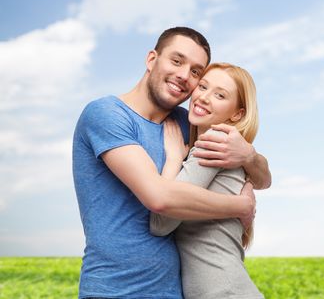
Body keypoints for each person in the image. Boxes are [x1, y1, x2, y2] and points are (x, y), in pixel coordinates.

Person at [72, 27, 271, 299]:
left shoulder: (188, 122)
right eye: (177, 61)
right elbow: (160, 198)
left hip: (174, 291)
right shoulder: (107, 114)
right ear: (152, 59)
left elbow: (262, 179)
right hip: (115, 289)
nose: (184, 76)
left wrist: (249, 156)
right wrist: (240, 205)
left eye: (195, 72)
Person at [150, 63, 264, 298]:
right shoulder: (224, 146)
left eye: (220, 95)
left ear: (237, 114)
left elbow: (160, 223)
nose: (203, 97)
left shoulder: (214, 143)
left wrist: (173, 159)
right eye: (203, 86)